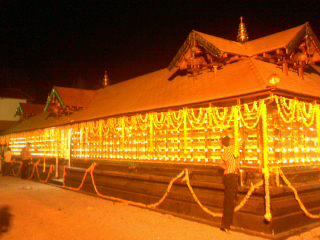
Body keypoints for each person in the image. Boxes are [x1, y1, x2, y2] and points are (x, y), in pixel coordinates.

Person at [220, 135, 240, 232]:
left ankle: (225, 223)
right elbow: (241, 142)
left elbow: (220, 164)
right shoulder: (233, 149)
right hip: (232, 176)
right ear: (229, 142)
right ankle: (226, 225)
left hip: (227, 175)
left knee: (227, 200)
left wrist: (228, 167)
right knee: (230, 201)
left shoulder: (223, 152)